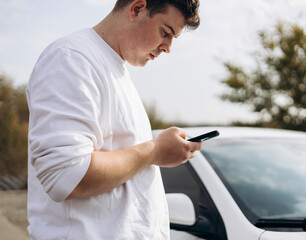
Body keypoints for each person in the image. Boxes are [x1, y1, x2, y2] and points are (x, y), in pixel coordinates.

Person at [26, 0, 201, 239]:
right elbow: (65, 175)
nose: (167, 47)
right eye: (165, 32)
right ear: (137, 9)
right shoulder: (72, 59)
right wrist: (154, 151)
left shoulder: (115, 70)